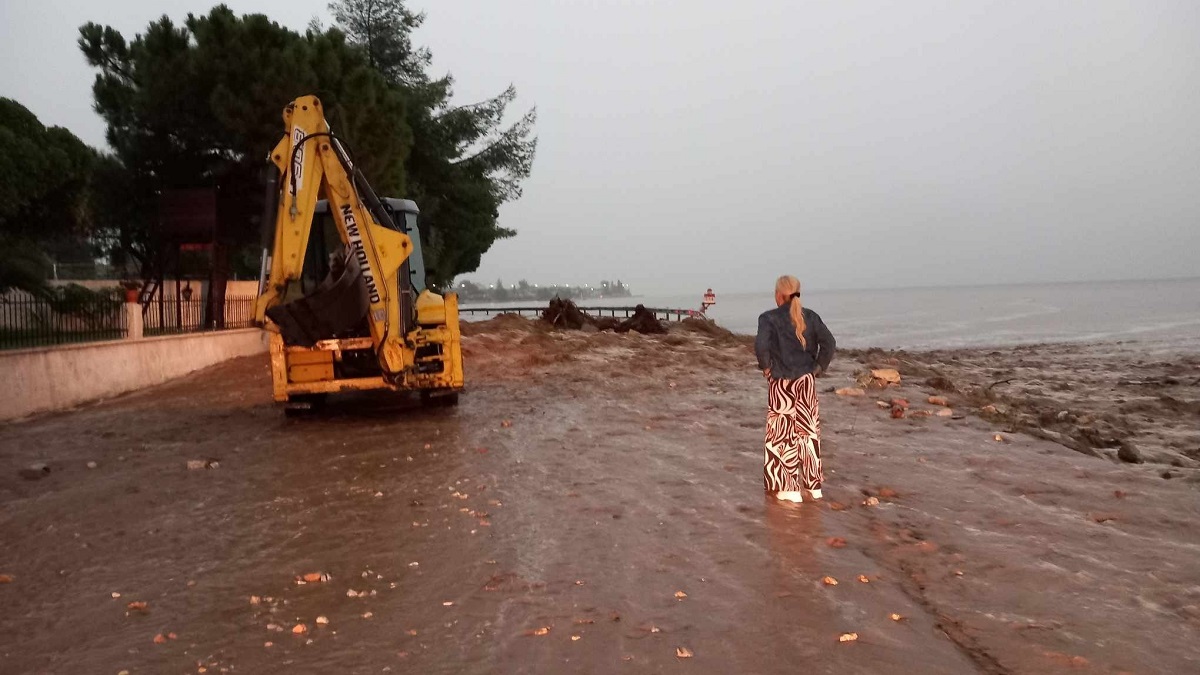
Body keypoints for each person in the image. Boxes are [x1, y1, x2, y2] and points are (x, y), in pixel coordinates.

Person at [755, 275, 836, 503]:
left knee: (782, 435)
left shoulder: (768, 318)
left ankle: (788, 488)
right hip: (806, 381)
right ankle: (813, 487)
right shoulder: (810, 316)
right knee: (808, 433)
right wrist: (818, 367)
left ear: (778, 294)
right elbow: (829, 343)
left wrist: (766, 368)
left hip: (781, 382)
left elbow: (761, 346)